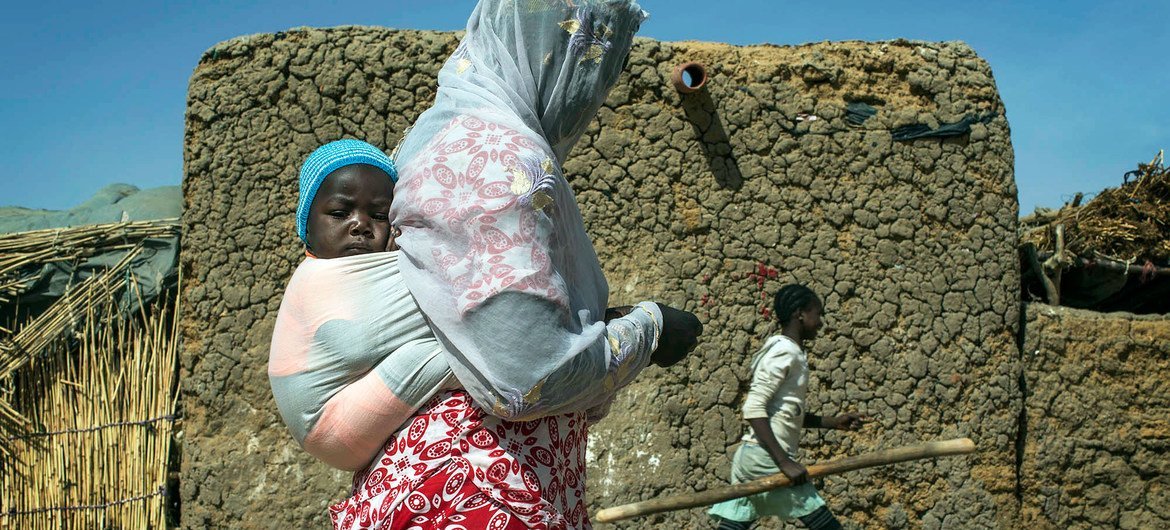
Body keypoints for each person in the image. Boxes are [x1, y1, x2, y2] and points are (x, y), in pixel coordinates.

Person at [328, 0, 704, 528]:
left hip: (460, 487)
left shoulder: (441, 137)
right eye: (599, 63)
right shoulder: (493, 160)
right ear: (566, 55)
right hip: (474, 493)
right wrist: (651, 329)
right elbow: (528, 377)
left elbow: (489, 314)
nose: (597, 89)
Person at [268, 139, 458, 472]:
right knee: (455, 351)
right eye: (340, 213)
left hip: (349, 422)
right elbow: (359, 343)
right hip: (328, 424)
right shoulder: (315, 279)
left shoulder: (371, 273)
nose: (360, 225)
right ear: (306, 228)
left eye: (380, 215)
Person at [708, 284, 867, 530]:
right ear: (800, 314)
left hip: (753, 458)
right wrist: (784, 462)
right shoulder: (784, 352)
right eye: (818, 314)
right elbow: (753, 408)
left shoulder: (791, 352)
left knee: (734, 525)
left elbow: (782, 413)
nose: (821, 322)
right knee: (825, 525)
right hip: (766, 459)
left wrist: (832, 422)